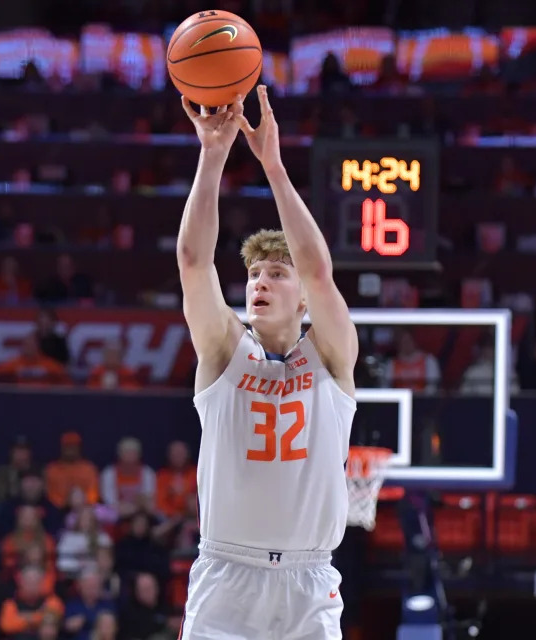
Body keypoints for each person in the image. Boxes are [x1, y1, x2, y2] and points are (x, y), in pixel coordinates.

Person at [176, 86, 358, 639]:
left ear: (302, 298)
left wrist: (273, 166)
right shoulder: (223, 349)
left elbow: (319, 270)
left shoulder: (329, 353)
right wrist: (212, 155)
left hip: (308, 580)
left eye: (277, 274)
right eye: (255, 274)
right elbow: (191, 260)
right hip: (226, 573)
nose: (261, 282)